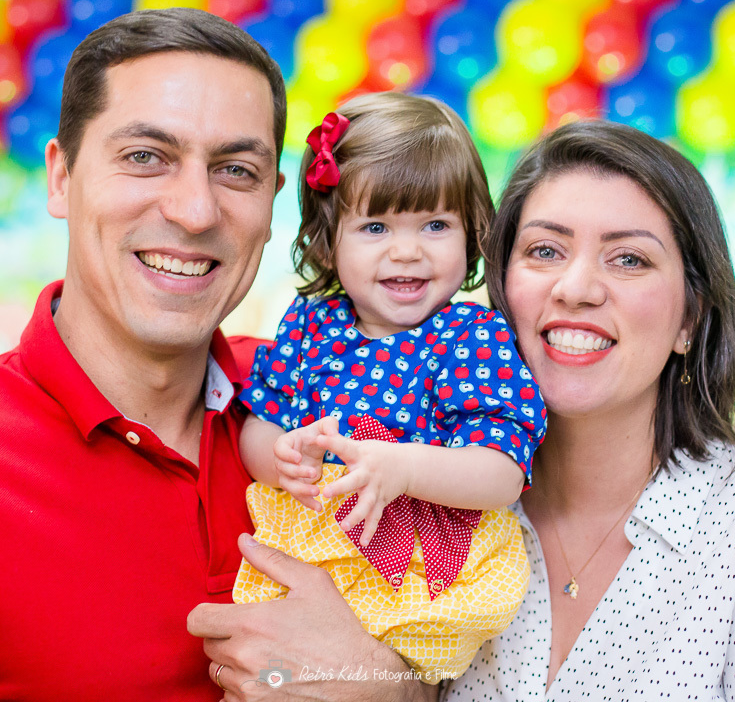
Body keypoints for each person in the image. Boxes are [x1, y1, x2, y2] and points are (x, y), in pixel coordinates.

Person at [0, 9, 424, 702]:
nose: (195, 210)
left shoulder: (352, 405)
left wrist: (394, 691)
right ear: (61, 177)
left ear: (271, 204)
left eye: (236, 170)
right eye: (145, 156)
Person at [444, 119, 735, 700]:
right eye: (545, 250)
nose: (576, 288)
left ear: (689, 319)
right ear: (501, 286)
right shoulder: (436, 497)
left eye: (629, 259)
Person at [234, 93, 546, 684]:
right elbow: (262, 418)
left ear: (472, 235)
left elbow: (502, 471)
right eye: (375, 227)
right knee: (269, 679)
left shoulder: (471, 337)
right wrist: (280, 457)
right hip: (311, 544)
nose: (407, 250)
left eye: (436, 225)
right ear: (328, 241)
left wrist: (403, 468)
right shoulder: (308, 323)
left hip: (421, 566)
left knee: (376, 683)